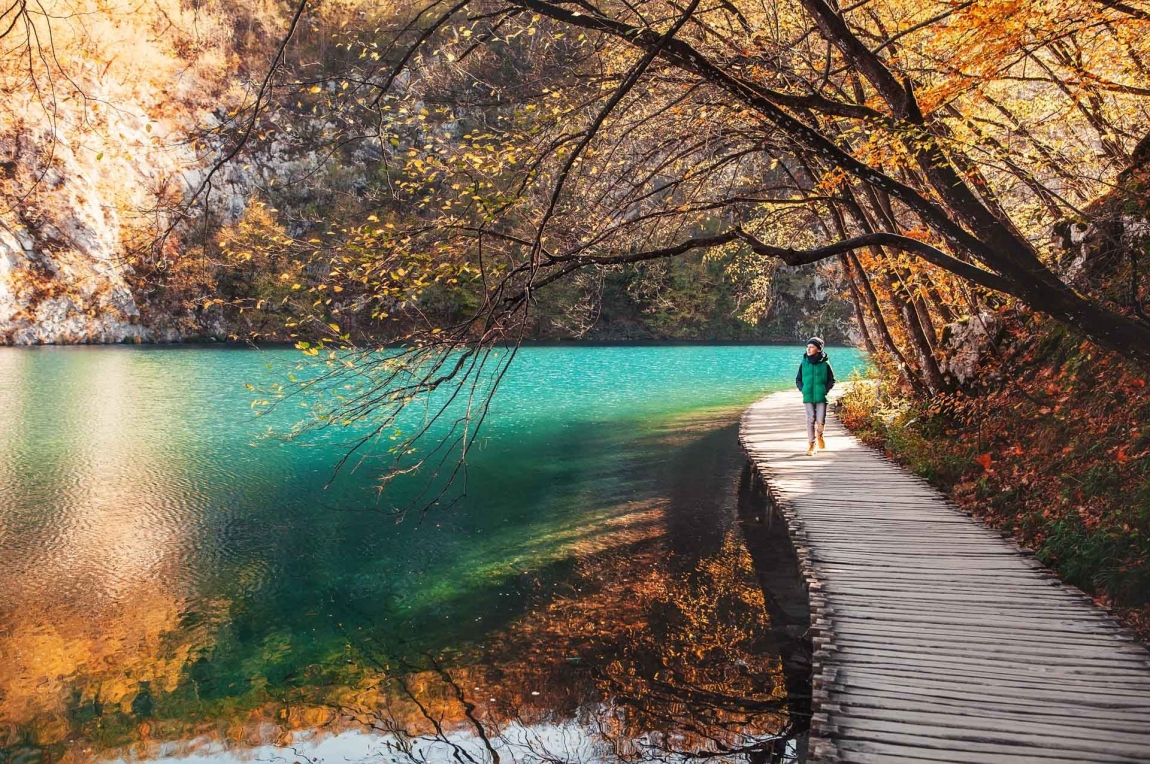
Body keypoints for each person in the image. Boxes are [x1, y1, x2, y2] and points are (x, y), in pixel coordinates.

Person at [796, 337, 835, 456]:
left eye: (811, 347)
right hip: (807, 396)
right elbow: (798, 379)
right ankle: (812, 444)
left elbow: (831, 380)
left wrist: (825, 390)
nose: (808, 349)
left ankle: (820, 434)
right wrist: (803, 389)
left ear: (818, 349)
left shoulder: (825, 363)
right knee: (810, 419)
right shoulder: (804, 362)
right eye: (807, 347)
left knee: (820, 421)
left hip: (821, 396)